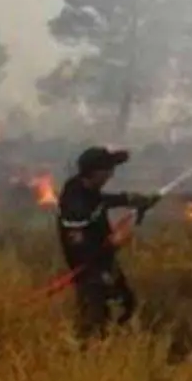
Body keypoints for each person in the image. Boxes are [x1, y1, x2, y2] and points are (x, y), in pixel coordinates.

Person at [56, 146, 160, 342]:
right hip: (89, 268)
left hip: (104, 262)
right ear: (96, 173)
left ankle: (117, 343)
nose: (112, 173)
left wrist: (130, 199)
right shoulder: (75, 206)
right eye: (109, 169)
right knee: (95, 318)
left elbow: (101, 201)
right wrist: (114, 242)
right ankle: (88, 356)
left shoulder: (82, 187)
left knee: (126, 304)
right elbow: (79, 248)